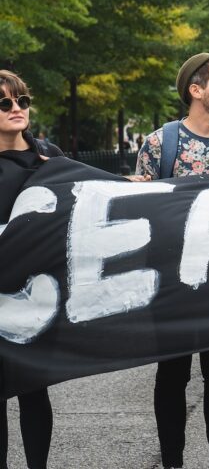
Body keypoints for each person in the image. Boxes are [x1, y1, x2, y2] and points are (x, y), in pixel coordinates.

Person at [135, 53, 209, 469]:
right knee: (172, 375)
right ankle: (172, 462)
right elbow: (141, 213)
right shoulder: (159, 143)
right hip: (171, 282)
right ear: (196, 90)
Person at [0, 69, 60, 469]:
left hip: (35, 292)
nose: (17, 108)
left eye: (22, 100)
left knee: (34, 390)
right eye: (5, 103)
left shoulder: (50, 157)